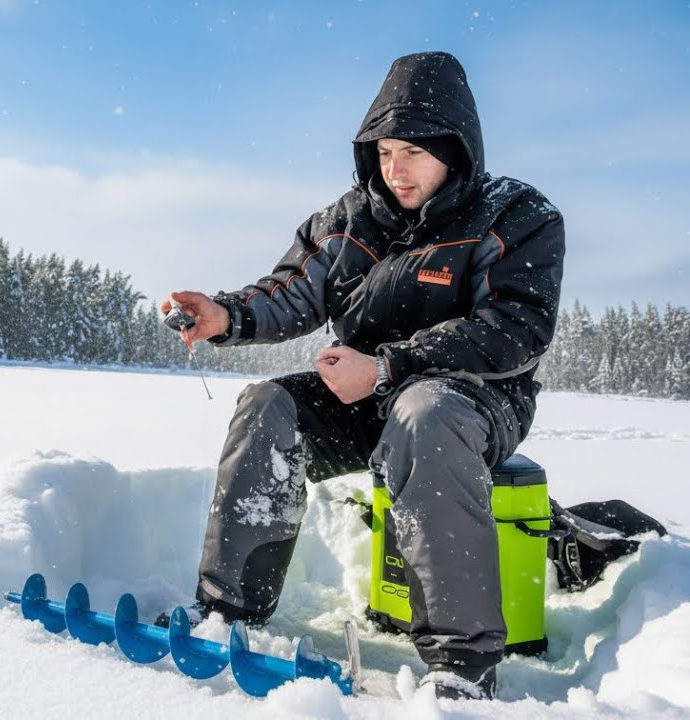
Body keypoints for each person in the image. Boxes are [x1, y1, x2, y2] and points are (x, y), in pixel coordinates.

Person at [159, 51, 564, 700]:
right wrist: (223, 315)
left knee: (424, 416)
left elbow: (513, 331)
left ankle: (461, 668)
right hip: (363, 396)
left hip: (473, 401)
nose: (394, 169)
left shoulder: (517, 216)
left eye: (411, 152)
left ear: (455, 148)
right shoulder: (351, 221)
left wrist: (388, 368)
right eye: (382, 152)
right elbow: (290, 292)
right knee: (267, 404)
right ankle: (226, 612)